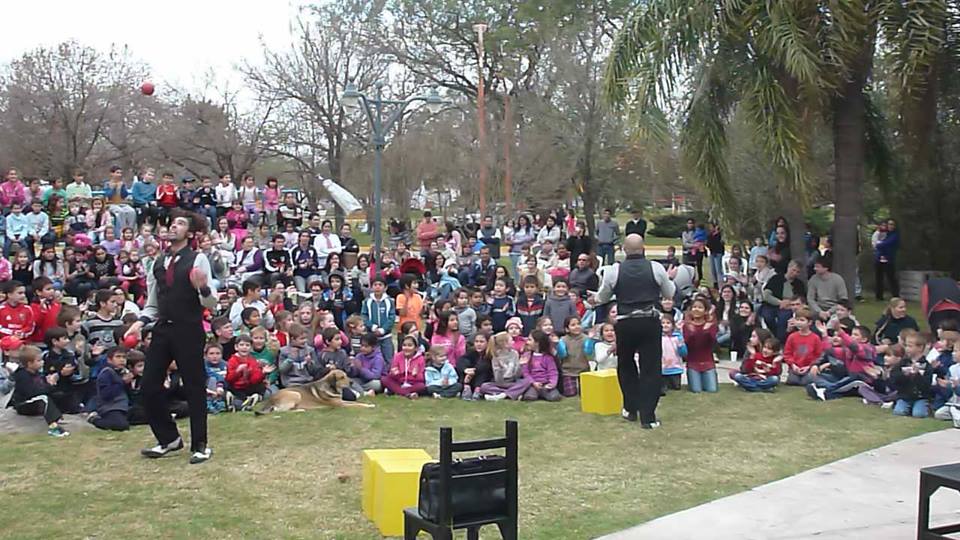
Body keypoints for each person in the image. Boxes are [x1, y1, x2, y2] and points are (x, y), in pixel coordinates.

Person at [124, 209, 219, 464]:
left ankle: (200, 444)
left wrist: (203, 287)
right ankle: (169, 438)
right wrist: (140, 324)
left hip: (189, 329)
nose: (172, 227)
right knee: (149, 386)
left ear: (189, 233)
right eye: (171, 223)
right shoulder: (157, 262)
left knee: (194, 387)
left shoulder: (198, 259)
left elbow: (211, 302)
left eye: (179, 223)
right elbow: (153, 303)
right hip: (162, 330)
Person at [594, 234, 675, 428]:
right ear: (644, 248)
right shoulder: (655, 268)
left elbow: (603, 296)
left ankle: (630, 409)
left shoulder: (615, 270)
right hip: (649, 321)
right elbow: (669, 293)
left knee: (626, 365)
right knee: (650, 368)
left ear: (624, 249)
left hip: (625, 322)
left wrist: (596, 298)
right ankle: (648, 417)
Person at [11, 345, 70, 437]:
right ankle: (53, 428)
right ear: (29, 363)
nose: (42, 362)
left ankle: (59, 416)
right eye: (39, 361)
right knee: (44, 398)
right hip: (24, 404)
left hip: (36, 401)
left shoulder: (38, 374)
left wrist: (51, 385)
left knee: (59, 395)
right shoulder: (22, 375)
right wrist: (48, 387)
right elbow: (31, 393)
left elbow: (44, 388)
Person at [89, 347, 132, 431]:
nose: (122, 360)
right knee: (121, 426)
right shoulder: (106, 373)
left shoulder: (124, 372)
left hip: (125, 406)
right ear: (109, 360)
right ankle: (94, 419)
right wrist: (122, 382)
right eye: (118, 357)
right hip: (111, 407)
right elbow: (106, 394)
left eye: (124, 357)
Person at [683, 297, 719, 393]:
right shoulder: (686, 326)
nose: (696, 309)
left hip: (708, 362)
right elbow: (688, 344)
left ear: (705, 311)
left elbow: (713, 343)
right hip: (693, 363)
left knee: (712, 389)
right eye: (694, 307)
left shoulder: (711, 325)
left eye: (700, 307)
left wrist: (706, 330)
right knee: (696, 390)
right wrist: (692, 331)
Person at [782, 306, 823, 386]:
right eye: (797, 320)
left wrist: (809, 366)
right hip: (795, 367)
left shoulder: (815, 338)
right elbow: (787, 353)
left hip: (808, 367)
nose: (799, 322)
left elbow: (818, 355)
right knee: (792, 381)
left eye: (802, 320)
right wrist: (793, 365)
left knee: (806, 381)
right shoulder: (792, 337)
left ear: (809, 322)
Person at [520, 330, 561, 401]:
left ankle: (543, 394)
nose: (527, 342)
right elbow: (526, 373)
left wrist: (552, 383)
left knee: (555, 397)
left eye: (530, 340)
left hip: (546, 384)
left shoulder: (548, 358)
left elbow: (553, 372)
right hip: (532, 384)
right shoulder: (527, 356)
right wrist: (533, 383)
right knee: (530, 397)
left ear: (537, 343)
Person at [874, 218, 900, 301]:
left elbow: (885, 244)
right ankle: (879, 296)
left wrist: (880, 244)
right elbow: (876, 243)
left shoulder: (895, 235)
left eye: (892, 224)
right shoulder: (884, 234)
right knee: (879, 278)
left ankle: (895, 295)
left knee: (891, 278)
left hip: (889, 259)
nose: (890, 226)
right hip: (879, 258)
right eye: (889, 224)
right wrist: (879, 245)